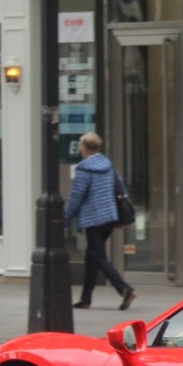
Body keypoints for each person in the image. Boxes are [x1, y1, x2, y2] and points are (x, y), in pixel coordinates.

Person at [64, 132, 135, 310]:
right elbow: (119, 188)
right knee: (92, 257)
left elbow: (76, 197)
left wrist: (65, 219)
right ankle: (85, 298)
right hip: (109, 217)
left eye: (82, 147)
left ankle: (124, 289)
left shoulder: (84, 169)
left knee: (98, 256)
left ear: (85, 148)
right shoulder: (108, 165)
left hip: (93, 219)